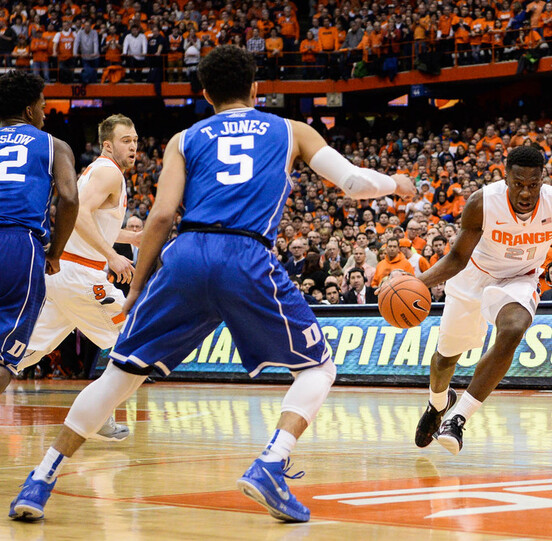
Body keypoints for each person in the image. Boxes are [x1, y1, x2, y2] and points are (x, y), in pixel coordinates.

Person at [9, 45, 415, 523]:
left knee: (120, 374)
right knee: (318, 369)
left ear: (204, 93)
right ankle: (271, 463)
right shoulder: (291, 130)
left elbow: (161, 217)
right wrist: (396, 184)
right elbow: (350, 182)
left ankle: (40, 478)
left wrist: (139, 287)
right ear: (256, 89)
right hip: (245, 254)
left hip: (185, 255)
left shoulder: (185, 138)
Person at [414, 145, 552, 454]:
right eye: (518, 184)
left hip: (520, 278)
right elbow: (456, 258)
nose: (525, 193)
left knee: (514, 328)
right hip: (473, 275)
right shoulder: (482, 202)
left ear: (542, 180)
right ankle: (438, 403)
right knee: (446, 358)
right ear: (505, 178)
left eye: (532, 185)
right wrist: (415, 282)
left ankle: (457, 419)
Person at [16, 115, 142, 442]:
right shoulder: (109, 171)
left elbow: (94, 222)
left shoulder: (99, 171)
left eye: (135, 140)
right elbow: (79, 215)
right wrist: (113, 255)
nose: (133, 146)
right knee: (131, 340)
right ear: (108, 145)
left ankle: (100, 415)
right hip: (79, 274)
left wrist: (130, 238)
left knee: (26, 351)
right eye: (126, 140)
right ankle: (97, 416)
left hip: (63, 276)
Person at [0, 71, 79, 393]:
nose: (46, 114)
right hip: (18, 243)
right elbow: (70, 198)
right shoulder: (53, 145)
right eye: (43, 107)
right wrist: (56, 253)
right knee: (6, 356)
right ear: (30, 110)